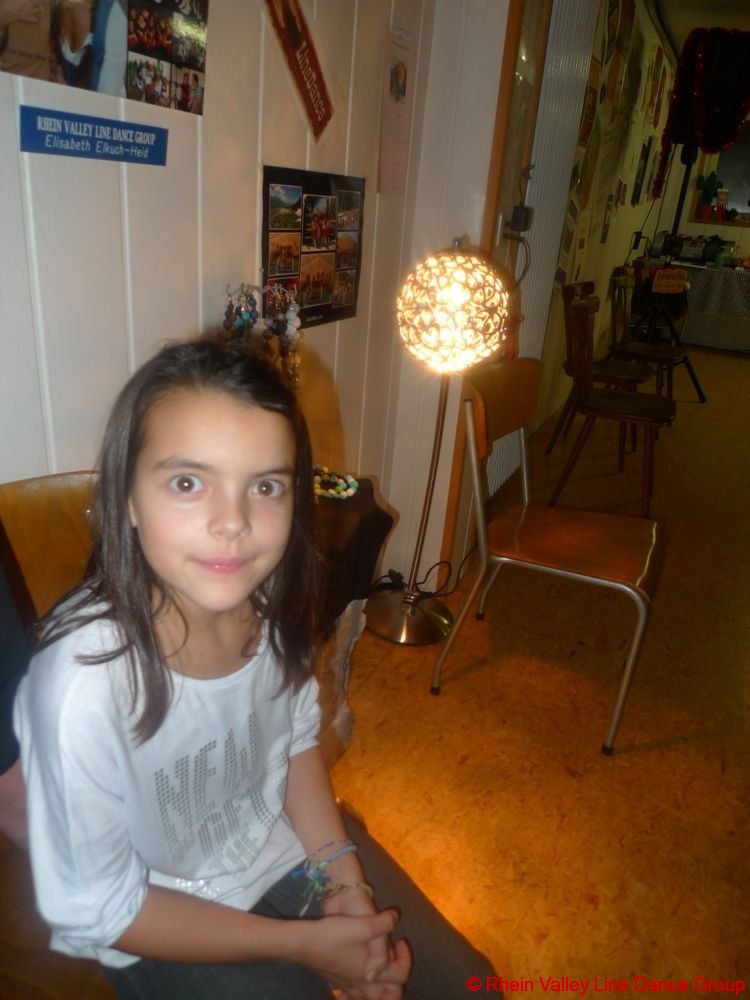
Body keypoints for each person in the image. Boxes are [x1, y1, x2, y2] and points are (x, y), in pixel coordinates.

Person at [14, 338, 495, 999]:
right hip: (159, 910)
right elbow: (103, 909)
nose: (234, 523)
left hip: (279, 846)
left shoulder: (269, 601)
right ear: (126, 497)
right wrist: (306, 948)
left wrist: (346, 883)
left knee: (470, 984)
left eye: (265, 486)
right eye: (189, 482)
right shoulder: (80, 686)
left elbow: (293, 743)